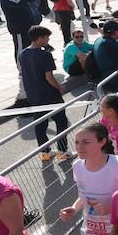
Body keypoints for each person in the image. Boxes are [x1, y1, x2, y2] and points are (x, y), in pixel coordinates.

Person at [19, 25, 71, 161]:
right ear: (39, 38)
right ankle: (62, 151)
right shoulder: (45, 54)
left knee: (40, 124)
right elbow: (49, 77)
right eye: (47, 37)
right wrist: (59, 88)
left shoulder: (23, 53)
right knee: (61, 122)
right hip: (50, 95)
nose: (48, 40)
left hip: (34, 95)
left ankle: (45, 152)